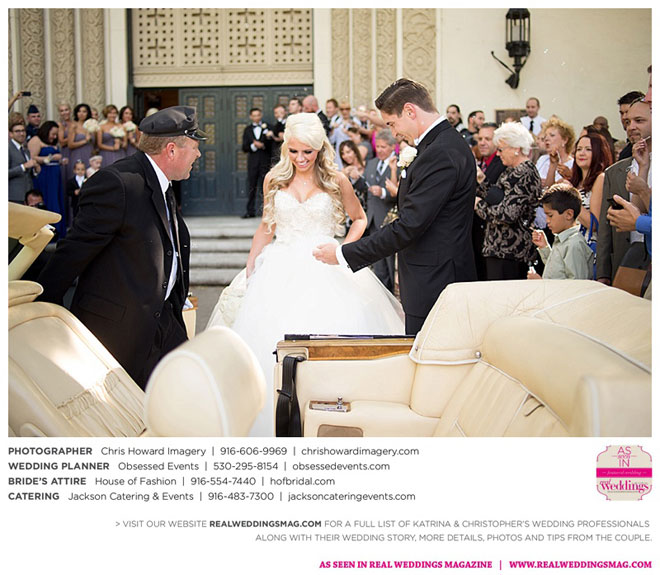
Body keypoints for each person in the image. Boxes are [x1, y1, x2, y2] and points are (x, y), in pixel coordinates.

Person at [207, 113, 403, 436]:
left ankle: (329, 424)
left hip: (326, 265)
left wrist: (342, 251)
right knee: (269, 341)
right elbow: (266, 226)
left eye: (308, 152)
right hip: (279, 267)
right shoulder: (274, 179)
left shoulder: (336, 179)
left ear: (319, 148)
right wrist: (252, 261)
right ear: (286, 147)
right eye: (294, 151)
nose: (300, 158)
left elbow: (359, 219)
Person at [37, 106, 206, 389]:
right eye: (195, 147)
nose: (198, 154)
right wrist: (42, 309)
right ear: (171, 150)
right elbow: (73, 252)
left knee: (187, 393)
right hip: (120, 333)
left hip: (163, 322)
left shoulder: (164, 184)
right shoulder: (117, 183)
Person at [314, 78, 477, 334]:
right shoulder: (440, 145)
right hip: (434, 276)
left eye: (392, 123)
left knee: (431, 353)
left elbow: (409, 225)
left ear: (410, 111)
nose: (393, 132)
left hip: (437, 282)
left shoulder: (440, 152)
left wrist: (344, 254)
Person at [474, 122, 542, 280]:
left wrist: (478, 205)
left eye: (501, 149)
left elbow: (508, 214)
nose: (498, 154)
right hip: (499, 250)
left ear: (516, 148)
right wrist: (481, 180)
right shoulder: (511, 171)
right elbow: (497, 197)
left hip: (511, 252)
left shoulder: (526, 172)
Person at [352, 129, 399, 292]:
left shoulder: (400, 164)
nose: (379, 150)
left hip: (389, 219)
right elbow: (366, 189)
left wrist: (384, 192)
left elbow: (400, 193)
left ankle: (394, 295)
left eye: (383, 147)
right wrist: (356, 179)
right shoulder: (372, 163)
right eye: (377, 146)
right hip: (372, 219)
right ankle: (382, 295)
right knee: (378, 263)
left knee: (390, 263)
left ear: (392, 146)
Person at [528, 184, 595, 280]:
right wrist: (544, 247)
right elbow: (557, 269)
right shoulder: (563, 239)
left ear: (569, 214)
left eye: (550, 215)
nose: (547, 221)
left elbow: (577, 284)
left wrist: (541, 282)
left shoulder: (574, 244)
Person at [569, 131, 614, 255]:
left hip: (588, 249)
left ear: (599, 153)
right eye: (579, 149)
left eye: (588, 149)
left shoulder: (600, 178)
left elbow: (594, 223)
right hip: (571, 246)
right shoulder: (575, 182)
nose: (581, 153)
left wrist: (569, 196)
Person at [472, 122, 506, 280]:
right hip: (478, 233)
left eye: (488, 139)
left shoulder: (502, 164)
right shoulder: (481, 163)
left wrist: (481, 179)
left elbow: (498, 198)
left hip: (495, 234)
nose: (482, 143)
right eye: (480, 139)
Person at [28, 120, 68, 238]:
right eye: (53, 134)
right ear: (46, 131)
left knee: (57, 200)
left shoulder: (53, 142)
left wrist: (60, 161)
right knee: (50, 201)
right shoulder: (36, 140)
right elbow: (32, 157)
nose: (54, 137)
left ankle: (59, 231)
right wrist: (50, 157)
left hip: (56, 175)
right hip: (45, 175)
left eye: (56, 134)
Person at [241, 107, 271, 218]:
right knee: (251, 187)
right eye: (254, 115)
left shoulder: (268, 127)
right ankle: (250, 211)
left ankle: (267, 212)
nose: (256, 117)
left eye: (258, 115)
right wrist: (253, 146)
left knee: (266, 188)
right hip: (253, 163)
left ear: (261, 115)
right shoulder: (247, 130)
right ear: (251, 117)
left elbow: (273, 145)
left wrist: (263, 145)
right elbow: (244, 147)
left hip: (265, 162)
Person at [9, 119, 38, 204]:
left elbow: (28, 173)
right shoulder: (7, 148)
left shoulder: (25, 149)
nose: (21, 134)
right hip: (13, 196)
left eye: (23, 131)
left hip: (27, 195)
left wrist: (35, 170)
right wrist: (23, 167)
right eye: (17, 131)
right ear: (11, 134)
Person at [67, 103, 95, 173]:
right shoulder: (74, 126)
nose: (81, 114)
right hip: (78, 154)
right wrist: (85, 141)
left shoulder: (91, 125)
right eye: (79, 111)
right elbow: (70, 145)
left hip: (90, 154)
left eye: (84, 111)